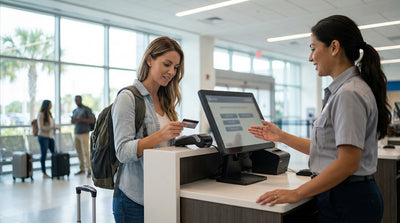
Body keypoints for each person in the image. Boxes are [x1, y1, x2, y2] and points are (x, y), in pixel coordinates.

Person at [248, 15, 391, 223]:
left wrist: (298, 193)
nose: (310, 57)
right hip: (346, 195)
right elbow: (328, 150)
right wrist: (281, 136)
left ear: (334, 47)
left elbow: (348, 163)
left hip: (348, 200)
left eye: (313, 48)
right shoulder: (346, 90)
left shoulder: (349, 93)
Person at [112, 36, 186, 223]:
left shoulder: (165, 100)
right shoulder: (127, 98)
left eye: (175, 68)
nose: (171, 72)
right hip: (133, 198)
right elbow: (122, 151)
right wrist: (161, 134)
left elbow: (163, 148)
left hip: (160, 193)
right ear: (149, 59)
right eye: (167, 64)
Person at [71, 95, 94, 177]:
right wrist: (73, 120)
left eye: (77, 100)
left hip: (84, 133)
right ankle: (82, 169)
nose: (76, 101)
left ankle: (89, 170)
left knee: (85, 152)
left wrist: (80, 119)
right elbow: (73, 122)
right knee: (79, 152)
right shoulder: (75, 110)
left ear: (80, 100)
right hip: (76, 132)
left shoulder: (86, 109)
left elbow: (91, 120)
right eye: (75, 100)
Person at [37, 100, 59, 178]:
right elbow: (41, 127)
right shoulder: (41, 114)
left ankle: (56, 171)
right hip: (43, 137)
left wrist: (53, 127)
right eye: (50, 104)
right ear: (46, 105)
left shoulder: (49, 114)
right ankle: (44, 172)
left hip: (50, 137)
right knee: (44, 155)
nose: (51, 106)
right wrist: (52, 127)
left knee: (55, 153)